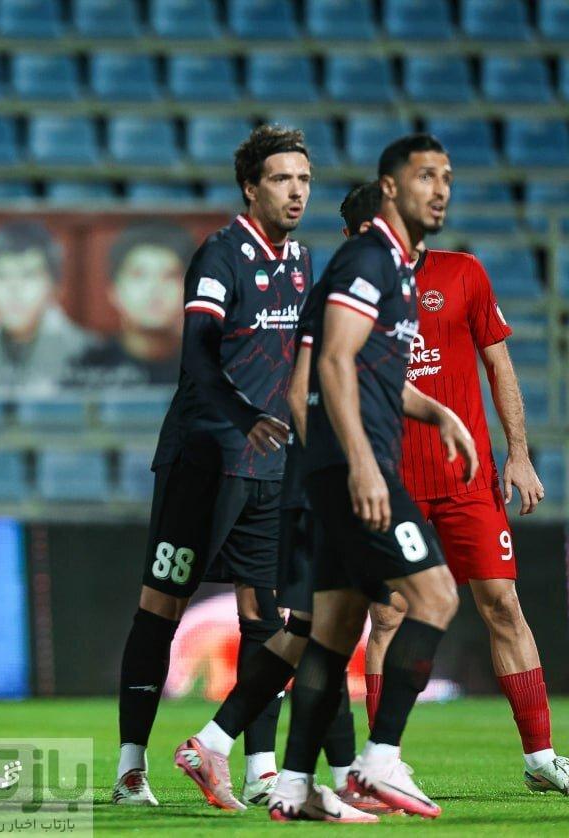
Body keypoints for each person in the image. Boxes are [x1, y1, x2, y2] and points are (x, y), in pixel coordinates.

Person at [267, 134, 478, 821]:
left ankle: (295, 784)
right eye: (424, 176)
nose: (439, 189)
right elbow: (333, 363)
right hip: (355, 467)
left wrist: (436, 410)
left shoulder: (394, 265)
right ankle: (379, 761)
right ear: (390, 187)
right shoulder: (370, 258)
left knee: (334, 630)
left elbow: (374, 373)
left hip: (335, 466)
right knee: (437, 596)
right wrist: (363, 464)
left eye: (446, 177)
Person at [113, 126, 312, 808]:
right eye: (283, 179)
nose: (296, 192)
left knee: (266, 616)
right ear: (252, 188)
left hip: (268, 467)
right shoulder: (220, 256)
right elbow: (197, 354)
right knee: (161, 608)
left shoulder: (300, 263)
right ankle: (131, 768)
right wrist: (243, 415)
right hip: (204, 460)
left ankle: (258, 765)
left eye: (304, 180)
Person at [174, 182, 387, 815]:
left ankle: (243, 753)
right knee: (323, 626)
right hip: (320, 477)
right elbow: (302, 392)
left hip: (325, 474)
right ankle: (320, 775)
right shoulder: (342, 291)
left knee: (314, 629)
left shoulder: (349, 288)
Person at [360, 182, 569, 791]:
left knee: (502, 604)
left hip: (467, 480)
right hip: (395, 483)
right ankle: (383, 764)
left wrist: (519, 456)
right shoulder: (355, 295)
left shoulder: (463, 274)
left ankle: (540, 757)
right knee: (390, 613)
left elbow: (498, 364)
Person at [0, 220, 91, 397]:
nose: (14, 289)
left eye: (29, 275)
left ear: (55, 286)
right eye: (1, 276)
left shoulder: (88, 353)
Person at [71, 222, 190, 388]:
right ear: (114, 291)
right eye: (139, 275)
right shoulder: (85, 372)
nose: (154, 289)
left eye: (169, 276)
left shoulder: (214, 367)